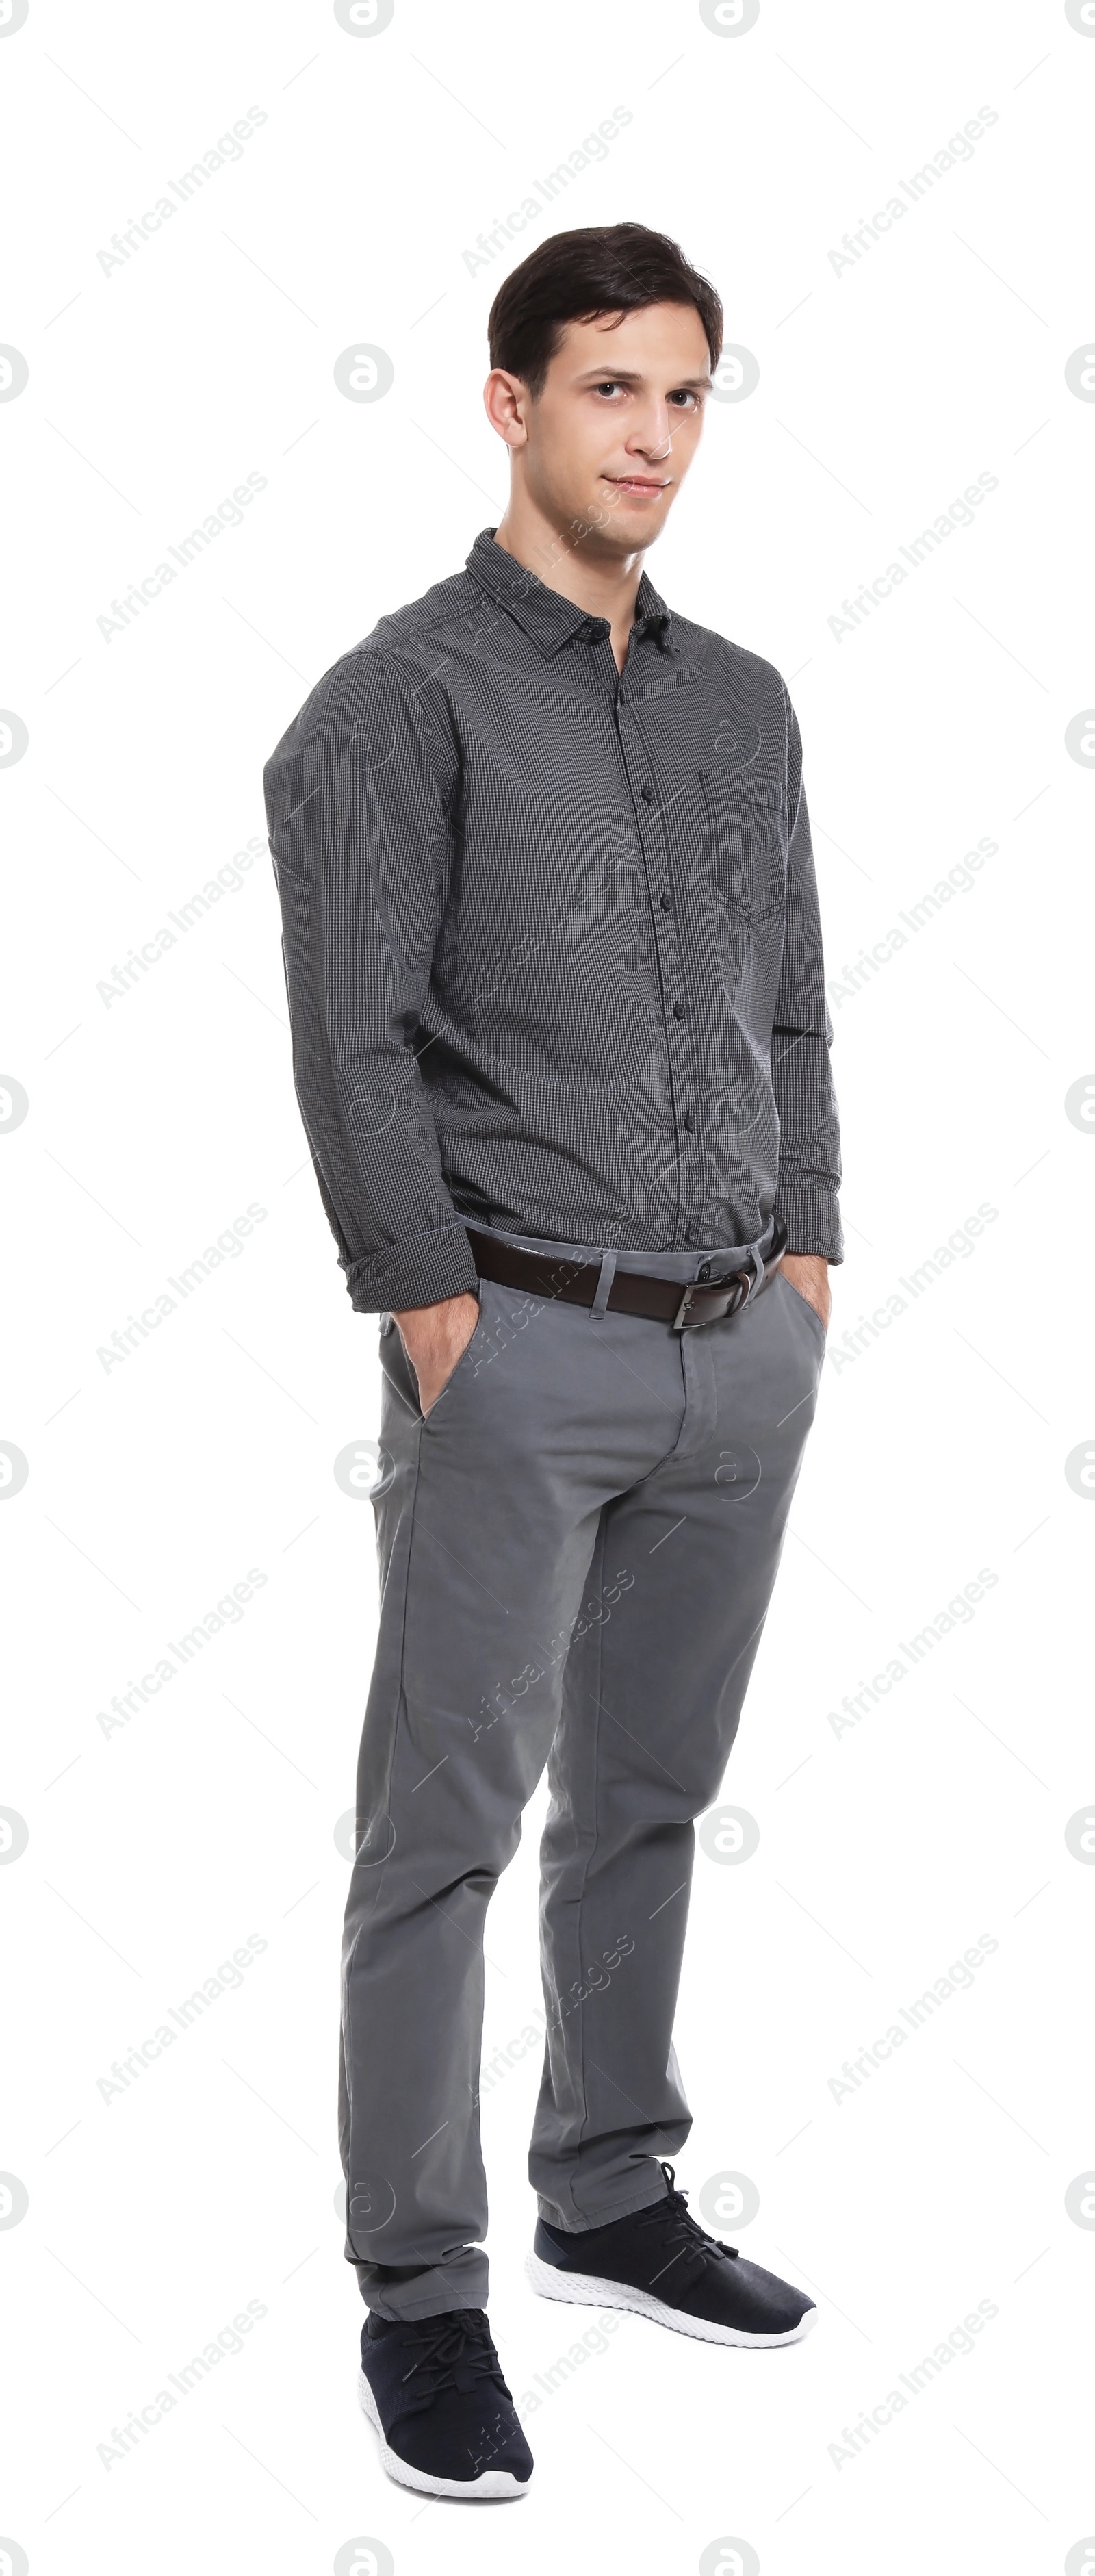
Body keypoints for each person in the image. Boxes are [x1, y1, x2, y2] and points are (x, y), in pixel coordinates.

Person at [264, 220, 842, 2503]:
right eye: (614, 390)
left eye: (689, 396)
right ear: (511, 405)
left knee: (652, 1799)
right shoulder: (397, 701)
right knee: (441, 1835)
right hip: (516, 1346)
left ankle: (610, 2187)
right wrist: (428, 1301)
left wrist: (810, 1254)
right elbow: (350, 1032)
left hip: (737, 1356)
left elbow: (791, 997)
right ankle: (424, 2292)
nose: (657, 439)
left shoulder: (745, 701)